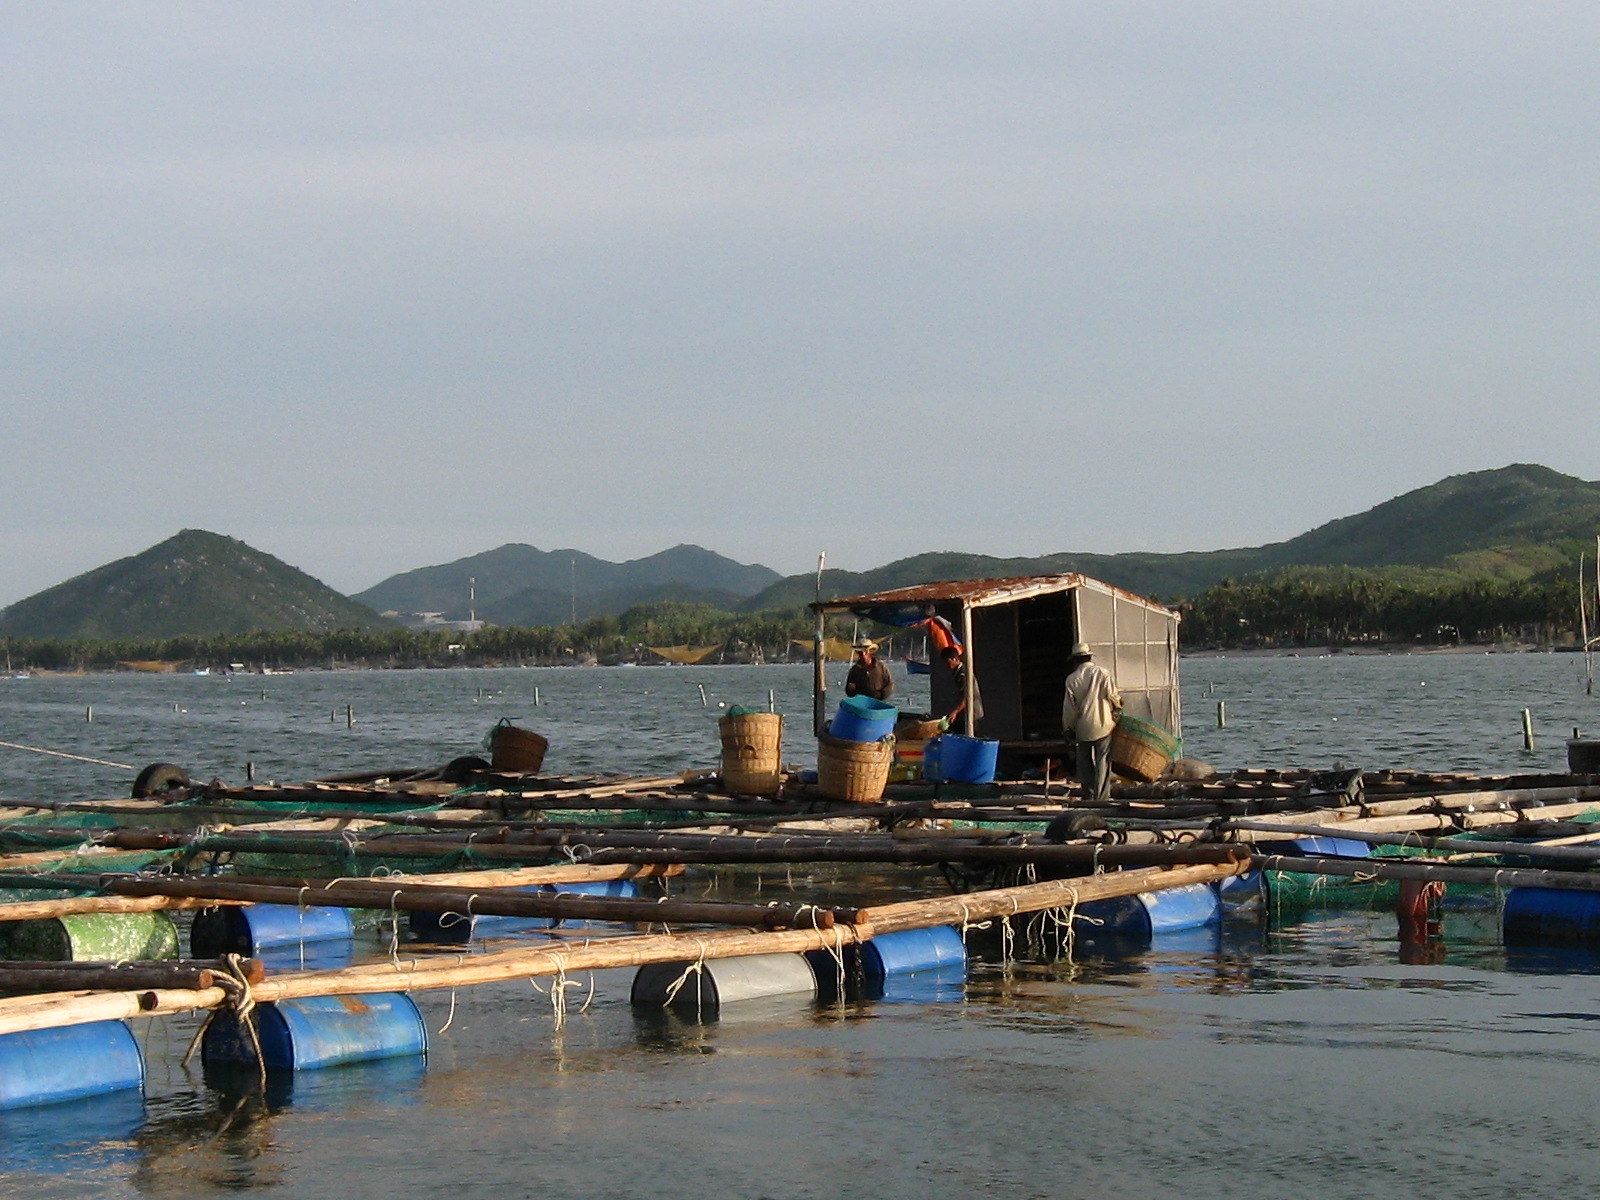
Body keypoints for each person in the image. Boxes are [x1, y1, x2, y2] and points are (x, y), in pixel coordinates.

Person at [1061, 641, 1121, 804]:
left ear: (1075, 660)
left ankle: (1088, 796)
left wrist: (1068, 728)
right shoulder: (1102, 673)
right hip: (1103, 724)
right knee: (1103, 761)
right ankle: (1102, 798)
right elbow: (1113, 696)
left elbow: (1069, 708)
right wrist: (1118, 708)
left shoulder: (1072, 679)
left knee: (1084, 762)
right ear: (1089, 657)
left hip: (1083, 727)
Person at [939, 644, 983, 731]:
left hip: (972, 712)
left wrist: (955, 711)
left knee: (966, 734)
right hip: (963, 712)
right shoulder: (957, 672)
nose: (946, 665)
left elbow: (967, 696)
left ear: (954, 659)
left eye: (948, 661)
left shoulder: (963, 673)